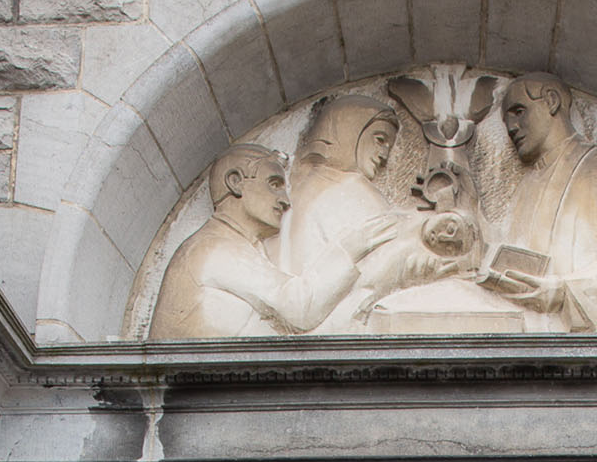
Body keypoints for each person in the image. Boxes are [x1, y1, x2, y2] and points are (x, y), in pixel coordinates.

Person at [149, 140, 398, 339]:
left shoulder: (237, 246)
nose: (285, 201)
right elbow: (299, 307)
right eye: (274, 184)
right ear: (235, 182)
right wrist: (349, 248)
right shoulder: (212, 248)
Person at [480, 72, 597, 331]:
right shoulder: (528, 183)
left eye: (519, 111)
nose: (511, 127)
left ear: (552, 101)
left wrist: (560, 292)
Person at [284, 96, 455, 330]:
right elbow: (390, 254)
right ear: (350, 133)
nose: (384, 155)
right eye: (380, 140)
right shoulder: (348, 188)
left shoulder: (308, 187)